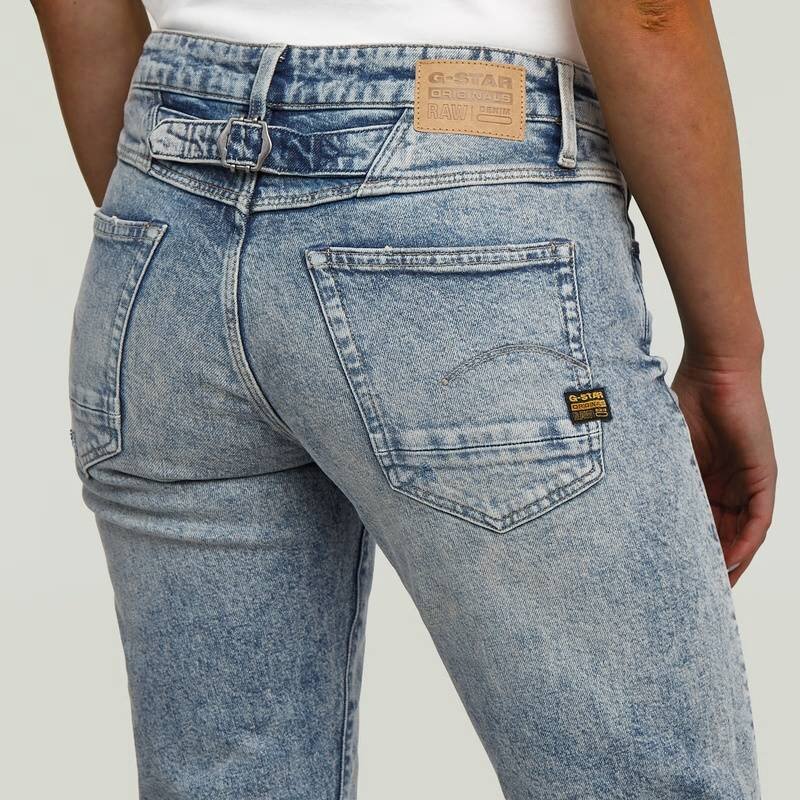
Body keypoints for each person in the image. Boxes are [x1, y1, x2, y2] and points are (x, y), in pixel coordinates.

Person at [32, 0, 776, 797]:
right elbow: (647, 12)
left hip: (164, 207)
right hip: (466, 204)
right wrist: (726, 357)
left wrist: (166, 218)